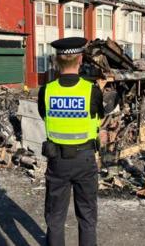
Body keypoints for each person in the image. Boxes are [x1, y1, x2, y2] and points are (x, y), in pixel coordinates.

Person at [37, 37, 103, 246]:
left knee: (55, 218)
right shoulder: (92, 90)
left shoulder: (46, 90)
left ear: (57, 61)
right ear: (80, 59)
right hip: (85, 160)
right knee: (87, 217)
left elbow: (43, 114)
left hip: (57, 161)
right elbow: (98, 115)